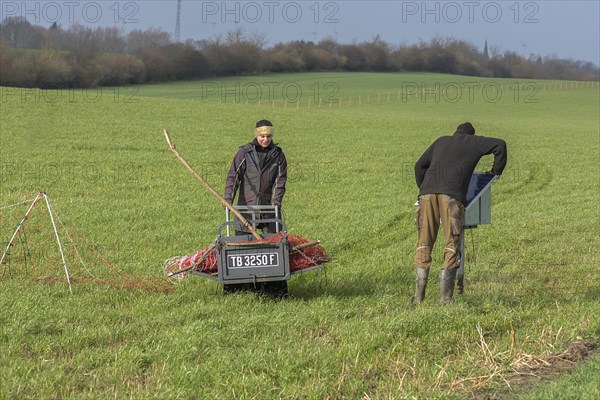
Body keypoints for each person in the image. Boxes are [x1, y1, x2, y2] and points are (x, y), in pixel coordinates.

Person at [413, 122, 507, 304]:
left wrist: (424, 187)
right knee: (451, 242)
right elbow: (500, 144)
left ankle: (418, 298)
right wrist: (496, 171)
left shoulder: (441, 141)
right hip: (452, 196)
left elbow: (419, 166)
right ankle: (446, 299)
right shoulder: (473, 142)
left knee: (424, 243)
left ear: (455, 132)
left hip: (426, 195)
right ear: (470, 135)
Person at [223, 119, 288, 298]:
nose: (265, 140)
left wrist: (276, 203)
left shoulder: (278, 155)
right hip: (245, 208)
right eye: (262, 136)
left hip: (269, 209)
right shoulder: (244, 153)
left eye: (268, 136)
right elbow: (233, 177)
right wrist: (227, 199)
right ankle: (241, 288)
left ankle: (274, 288)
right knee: (242, 248)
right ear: (256, 135)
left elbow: (280, 181)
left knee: (274, 246)